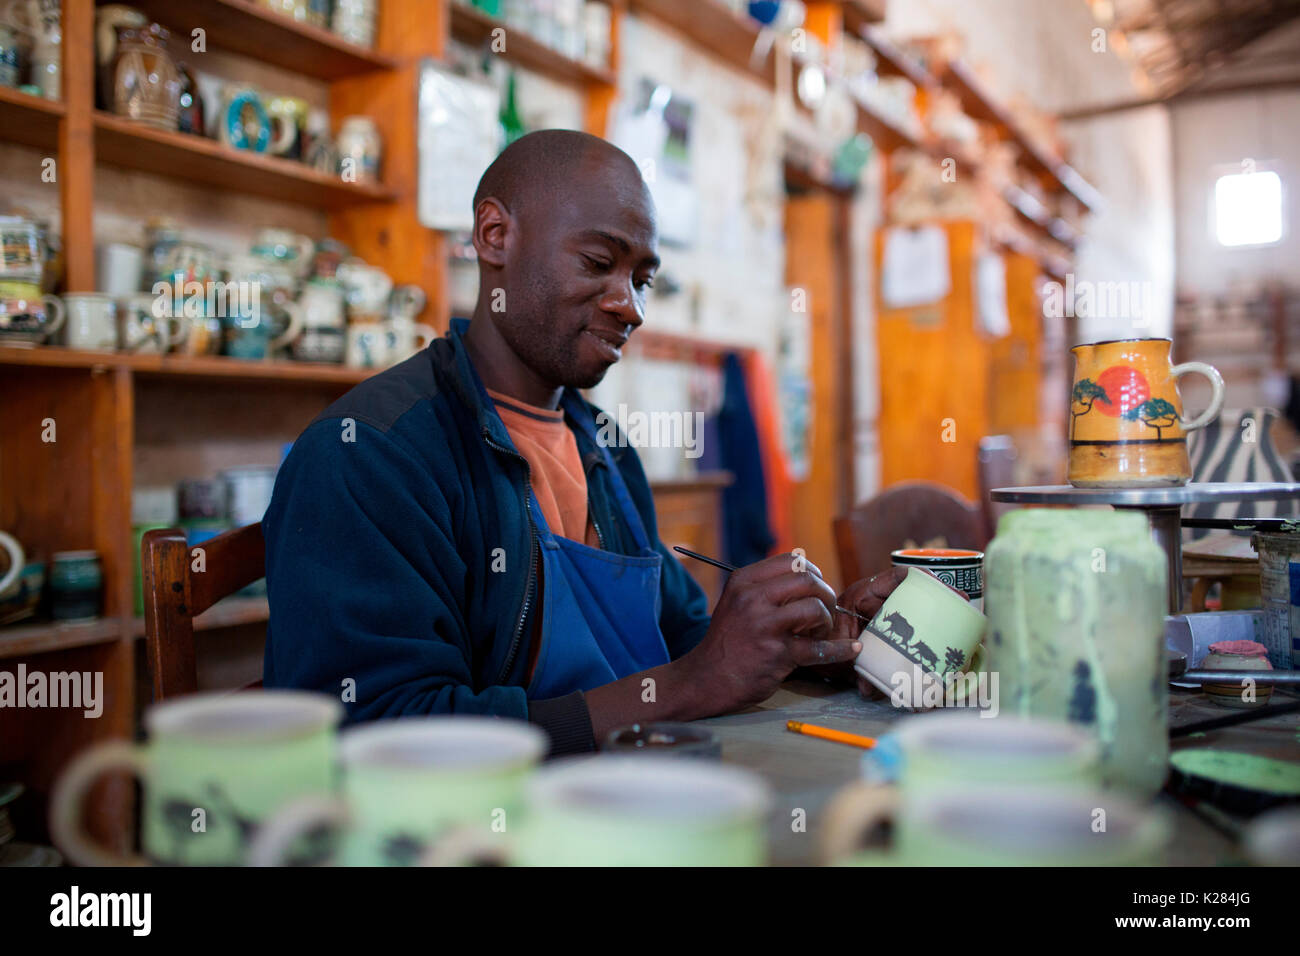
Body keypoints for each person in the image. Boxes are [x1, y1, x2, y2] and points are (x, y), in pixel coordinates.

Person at [263, 129, 905, 754]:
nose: (631, 307)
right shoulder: (371, 452)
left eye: (642, 279)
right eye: (599, 264)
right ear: (495, 236)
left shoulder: (604, 447)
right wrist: (688, 684)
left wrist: (807, 642)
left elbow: (682, 640)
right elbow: (382, 732)